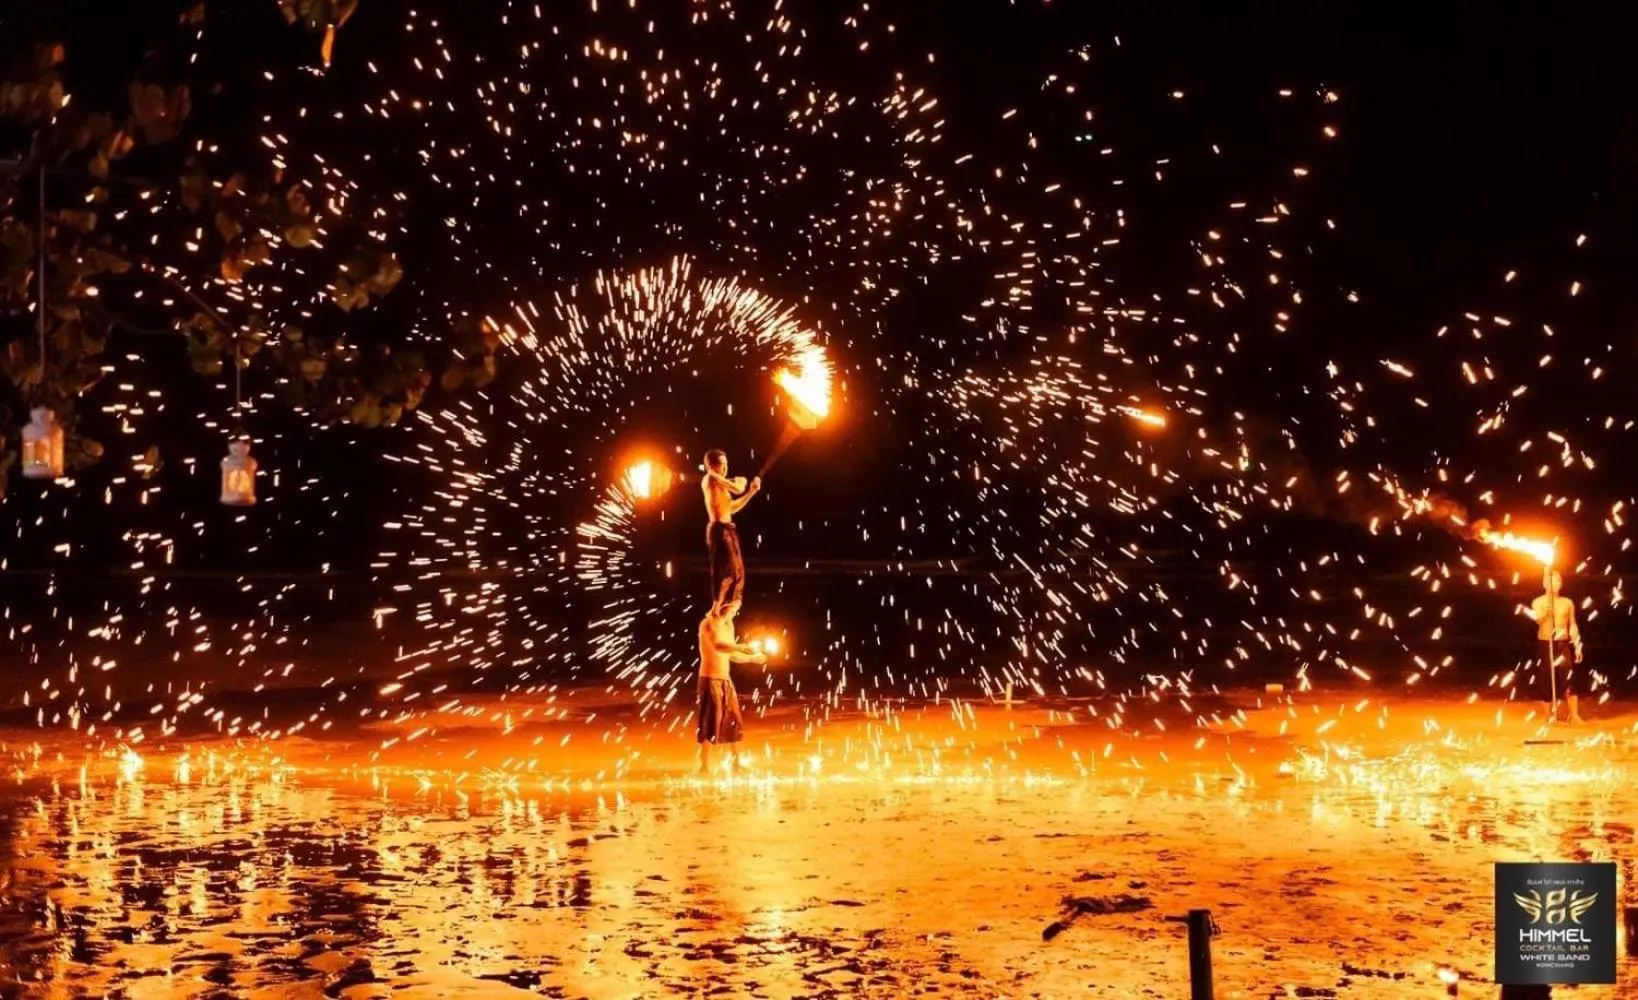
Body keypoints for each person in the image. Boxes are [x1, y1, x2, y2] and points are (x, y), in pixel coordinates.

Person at [696, 603, 765, 774]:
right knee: (711, 722)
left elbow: (730, 654)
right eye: (734, 608)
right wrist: (742, 647)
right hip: (710, 679)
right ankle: (704, 766)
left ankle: (736, 763)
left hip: (725, 680)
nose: (736, 611)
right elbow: (719, 646)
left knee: (733, 721)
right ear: (724, 607)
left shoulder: (728, 625)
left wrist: (752, 659)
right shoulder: (708, 624)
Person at [701, 449, 761, 614]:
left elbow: (732, 507)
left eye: (727, 464)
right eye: (722, 464)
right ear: (712, 466)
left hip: (728, 527)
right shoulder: (711, 478)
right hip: (719, 529)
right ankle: (716, 607)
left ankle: (730, 607)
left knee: (739, 571)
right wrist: (742, 484)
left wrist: (751, 491)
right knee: (728, 569)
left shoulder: (721, 485)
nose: (726, 468)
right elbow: (737, 488)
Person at [1530, 569, 1584, 724]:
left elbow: (1572, 625)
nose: (1554, 584)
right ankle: (1549, 716)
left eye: (1558, 581)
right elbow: (1538, 621)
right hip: (1545, 643)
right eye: (1551, 581)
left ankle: (1574, 715)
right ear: (1544, 583)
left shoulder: (1567, 602)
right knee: (1546, 678)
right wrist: (1546, 614)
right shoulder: (1538, 602)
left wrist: (1578, 645)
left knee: (1569, 677)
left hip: (1562, 643)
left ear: (1561, 584)